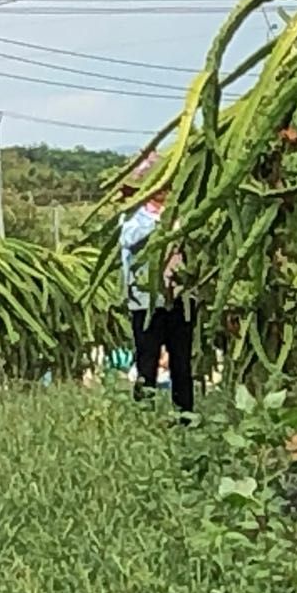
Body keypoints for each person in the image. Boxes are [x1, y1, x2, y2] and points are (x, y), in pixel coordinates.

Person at [119, 153, 195, 415]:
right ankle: (144, 414)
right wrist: (160, 224)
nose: (164, 187)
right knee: (147, 361)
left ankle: (185, 414)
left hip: (180, 298)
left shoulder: (184, 212)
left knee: (182, 363)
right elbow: (128, 239)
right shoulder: (134, 215)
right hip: (144, 300)